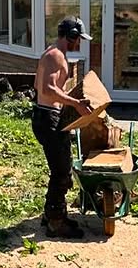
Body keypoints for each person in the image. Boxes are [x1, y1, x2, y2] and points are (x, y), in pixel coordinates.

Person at [32, 17, 93, 239]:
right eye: (78, 39)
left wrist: (71, 99)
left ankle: (52, 215)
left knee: (61, 169)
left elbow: (41, 87)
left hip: (47, 116)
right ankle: (56, 223)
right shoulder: (55, 56)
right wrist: (75, 103)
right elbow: (47, 88)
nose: (79, 44)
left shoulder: (55, 54)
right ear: (72, 36)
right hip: (48, 119)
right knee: (61, 172)